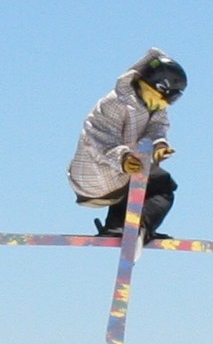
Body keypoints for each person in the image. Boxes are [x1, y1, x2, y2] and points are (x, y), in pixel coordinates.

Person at [67, 48, 186, 241]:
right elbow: (100, 139)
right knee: (163, 186)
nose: (166, 104)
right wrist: (123, 158)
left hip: (115, 174)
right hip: (94, 173)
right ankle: (137, 228)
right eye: (166, 97)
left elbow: (157, 126)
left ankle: (119, 227)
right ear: (155, 86)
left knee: (147, 178)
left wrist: (159, 146)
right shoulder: (115, 103)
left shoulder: (153, 104)